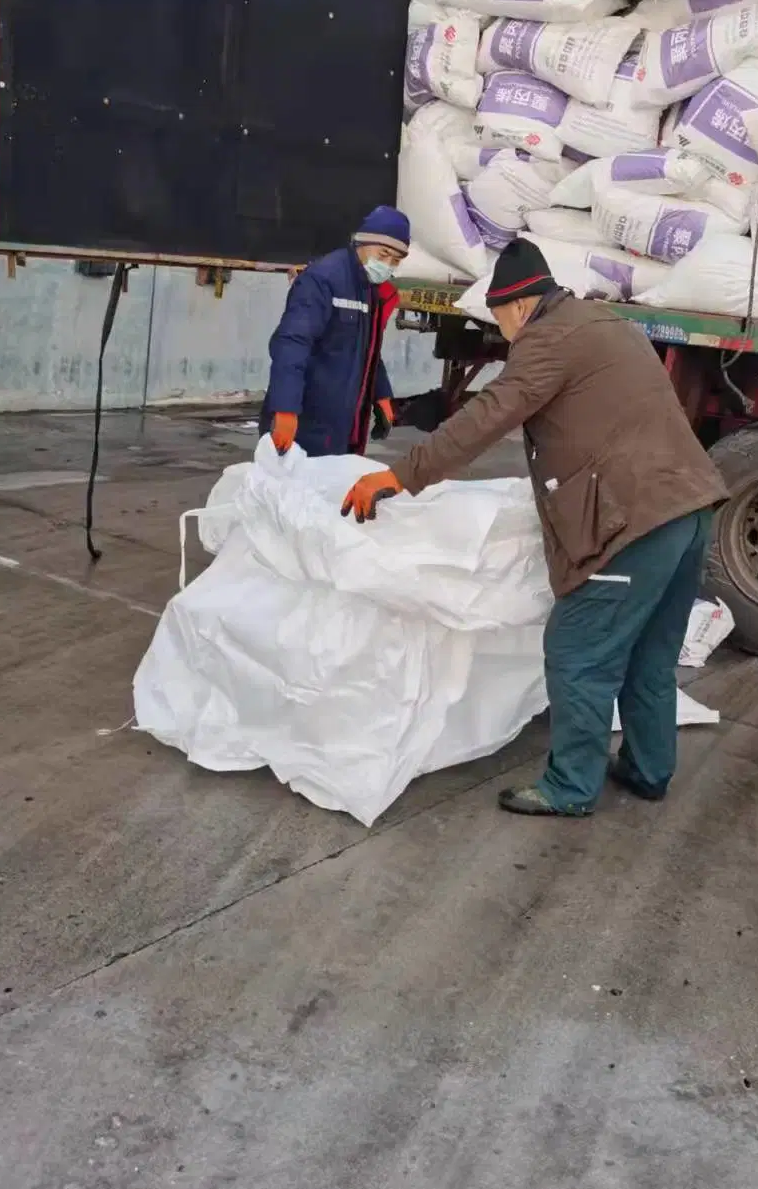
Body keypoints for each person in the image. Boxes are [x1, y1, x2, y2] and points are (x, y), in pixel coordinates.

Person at [342, 238, 728, 817]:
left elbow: (487, 416)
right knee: (649, 654)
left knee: (578, 651)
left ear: (518, 305)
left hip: (635, 521)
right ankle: (649, 770)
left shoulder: (548, 338)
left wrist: (400, 476)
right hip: (688, 509)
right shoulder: (603, 321)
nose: (503, 334)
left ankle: (571, 787)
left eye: (499, 320)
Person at [260, 205, 410, 459]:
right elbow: (292, 343)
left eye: (396, 261)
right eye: (383, 254)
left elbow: (367, 347)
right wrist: (285, 408)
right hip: (307, 421)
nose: (387, 265)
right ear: (362, 242)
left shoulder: (370, 289)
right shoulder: (324, 279)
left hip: (344, 424)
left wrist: (382, 394)